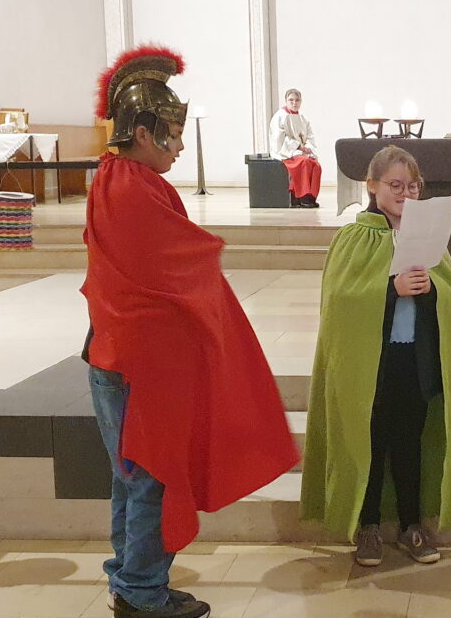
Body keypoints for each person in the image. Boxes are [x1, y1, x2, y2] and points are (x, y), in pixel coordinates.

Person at [82, 45, 299, 618]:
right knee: (150, 477)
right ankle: (142, 594)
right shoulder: (136, 187)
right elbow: (177, 263)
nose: (179, 147)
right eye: (172, 136)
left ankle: (133, 580)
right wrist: (210, 256)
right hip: (139, 368)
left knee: (130, 479)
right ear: (145, 131)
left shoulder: (113, 176)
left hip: (117, 356)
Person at [300, 145, 451, 567]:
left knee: (410, 443)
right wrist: (390, 289)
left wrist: (431, 290)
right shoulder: (355, 236)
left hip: (413, 360)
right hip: (371, 365)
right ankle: (366, 528)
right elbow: (340, 300)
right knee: (370, 442)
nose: (405, 193)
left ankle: (412, 526)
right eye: (395, 185)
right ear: (372, 186)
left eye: (413, 186)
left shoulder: (429, 238)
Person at [269, 88, 322, 208]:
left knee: (316, 165)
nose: (294, 103)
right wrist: (298, 146)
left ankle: (311, 197)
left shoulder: (303, 118)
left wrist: (308, 148)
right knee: (303, 162)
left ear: (301, 101)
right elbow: (279, 138)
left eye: (297, 100)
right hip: (286, 151)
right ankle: (300, 197)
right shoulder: (280, 116)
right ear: (286, 101)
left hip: (301, 151)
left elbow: (309, 136)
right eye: (291, 100)